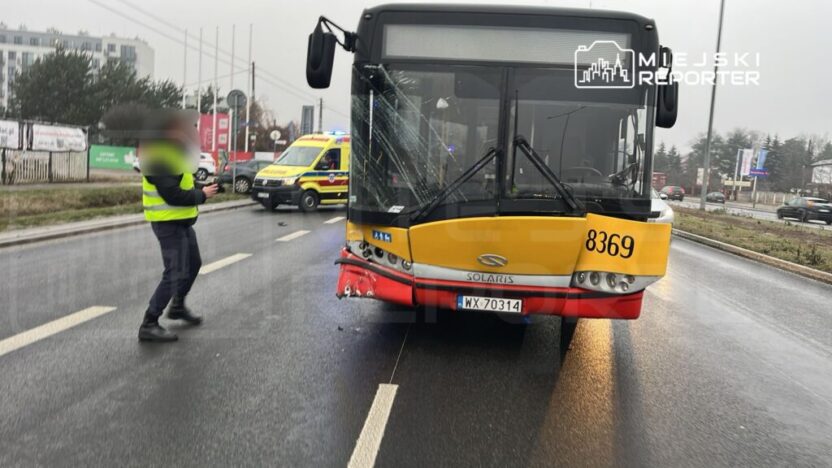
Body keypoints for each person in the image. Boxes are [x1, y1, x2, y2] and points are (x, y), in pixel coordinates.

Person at [138, 109, 218, 342]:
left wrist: (204, 186)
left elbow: (183, 181)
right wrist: (201, 195)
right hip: (167, 223)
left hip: (181, 221)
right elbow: (172, 194)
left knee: (193, 263)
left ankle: (178, 306)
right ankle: (149, 322)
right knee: (175, 271)